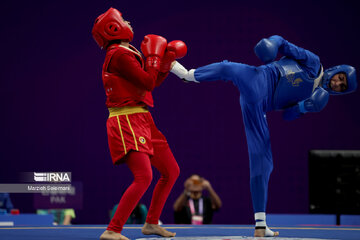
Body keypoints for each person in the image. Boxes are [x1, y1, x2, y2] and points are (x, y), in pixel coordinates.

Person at [170, 35, 357, 237]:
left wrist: (305, 107)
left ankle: (260, 225)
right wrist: (272, 44)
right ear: (336, 70)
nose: (337, 83)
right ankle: (186, 74)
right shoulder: (313, 62)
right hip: (258, 79)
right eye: (340, 78)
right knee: (228, 68)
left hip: (258, 108)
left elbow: (287, 115)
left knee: (263, 161)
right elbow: (284, 44)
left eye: (342, 87)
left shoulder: (317, 98)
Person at [92, 7, 187, 240]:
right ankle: (112, 230)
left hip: (142, 117)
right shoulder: (119, 54)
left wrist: (163, 65)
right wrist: (155, 58)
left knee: (171, 171)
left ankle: (152, 223)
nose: (128, 22)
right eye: (122, 20)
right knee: (143, 177)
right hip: (127, 119)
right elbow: (147, 81)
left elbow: (149, 83)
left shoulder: (126, 51)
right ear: (113, 28)